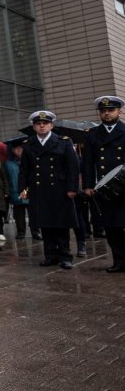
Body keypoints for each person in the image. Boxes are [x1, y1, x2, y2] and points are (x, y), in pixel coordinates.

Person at [18, 111, 79, 270]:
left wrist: (72, 188)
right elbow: (24, 170)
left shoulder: (63, 142)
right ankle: (50, 255)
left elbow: (72, 167)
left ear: (51, 125)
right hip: (39, 189)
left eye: (45, 123)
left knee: (61, 224)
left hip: (60, 189)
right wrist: (23, 189)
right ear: (34, 126)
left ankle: (65, 256)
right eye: (38, 124)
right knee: (45, 224)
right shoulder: (29, 144)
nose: (42, 126)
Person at [82, 95, 125, 272]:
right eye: (103, 111)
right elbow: (87, 163)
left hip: (124, 185)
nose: (106, 113)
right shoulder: (92, 134)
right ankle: (119, 261)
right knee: (111, 226)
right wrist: (87, 185)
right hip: (103, 188)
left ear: (119, 111)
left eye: (110, 110)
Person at [4, 141, 39, 240]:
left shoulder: (31, 161)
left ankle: (35, 231)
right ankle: (21, 232)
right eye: (16, 148)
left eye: (21, 148)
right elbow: (6, 178)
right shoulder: (7, 163)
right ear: (12, 150)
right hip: (15, 191)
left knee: (33, 213)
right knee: (19, 214)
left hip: (30, 190)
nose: (19, 150)